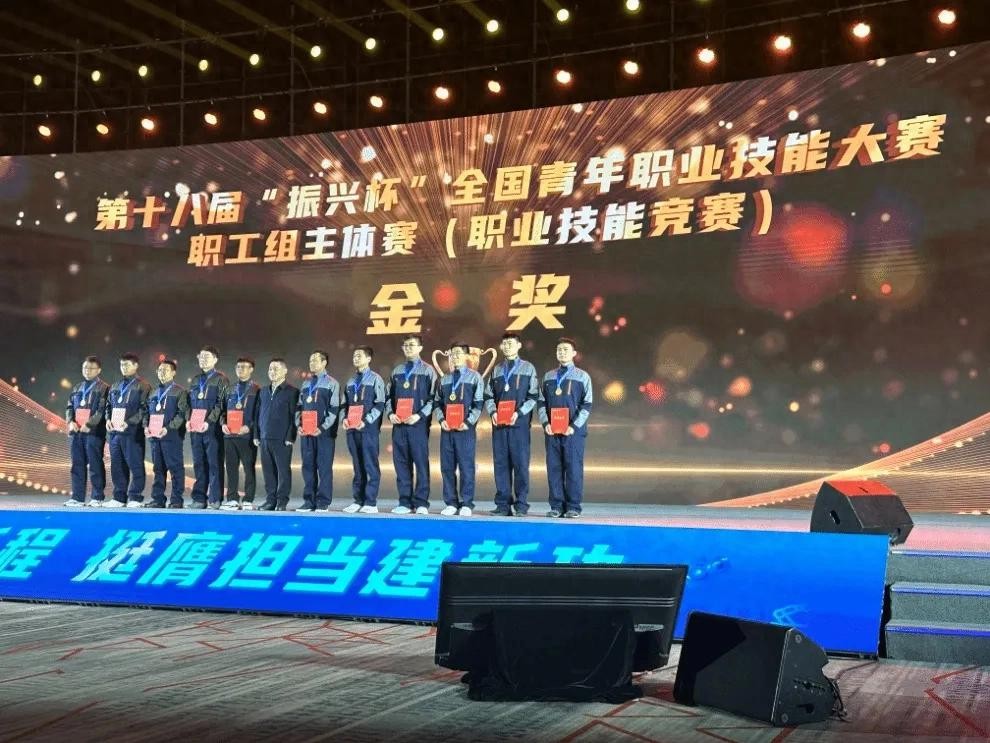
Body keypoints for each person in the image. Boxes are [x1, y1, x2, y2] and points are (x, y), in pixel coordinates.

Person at [484, 333, 539, 516]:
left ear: (519, 345)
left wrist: (519, 413)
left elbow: (533, 397)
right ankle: (503, 505)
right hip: (499, 426)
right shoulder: (496, 370)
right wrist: (493, 412)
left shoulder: (528, 368)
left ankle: (521, 505)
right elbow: (488, 395)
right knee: (501, 465)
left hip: (519, 426)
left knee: (521, 465)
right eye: (505, 343)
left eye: (511, 343)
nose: (507, 346)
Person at [538, 337, 593, 518]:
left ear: (574, 353)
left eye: (565, 349)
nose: (562, 352)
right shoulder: (548, 377)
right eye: (559, 349)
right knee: (554, 468)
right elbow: (541, 402)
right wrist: (545, 423)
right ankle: (556, 506)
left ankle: (573, 507)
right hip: (552, 431)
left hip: (573, 433)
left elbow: (587, 405)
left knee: (573, 468)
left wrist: (574, 426)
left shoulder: (582, 376)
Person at [385, 334, 437, 515]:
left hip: (418, 425)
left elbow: (434, 399)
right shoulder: (397, 371)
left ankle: (421, 502)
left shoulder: (428, 371)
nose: (408, 348)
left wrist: (419, 416)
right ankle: (405, 502)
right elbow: (388, 397)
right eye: (405, 345)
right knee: (401, 464)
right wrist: (390, 414)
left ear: (420, 348)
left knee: (421, 463)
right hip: (399, 425)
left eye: (412, 345)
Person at [434, 342, 484, 516]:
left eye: (458, 353)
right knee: (447, 467)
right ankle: (451, 502)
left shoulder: (475, 377)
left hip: (465, 430)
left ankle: (467, 503)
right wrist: (441, 420)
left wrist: (468, 422)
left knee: (466, 467)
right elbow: (437, 403)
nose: (455, 357)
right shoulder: (444, 379)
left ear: (466, 356)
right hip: (447, 430)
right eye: (452, 354)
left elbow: (478, 404)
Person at [104, 352, 153, 508]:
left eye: (127, 364)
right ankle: (119, 497)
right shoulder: (115, 386)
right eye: (122, 365)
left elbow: (145, 409)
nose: (123, 367)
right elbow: (108, 406)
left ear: (135, 365)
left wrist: (130, 422)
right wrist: (107, 420)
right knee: (117, 465)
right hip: (115, 433)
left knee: (135, 465)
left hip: (132, 432)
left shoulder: (143, 386)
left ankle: (135, 497)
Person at [295, 350, 341, 513]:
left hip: (323, 434)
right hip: (307, 432)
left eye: (315, 360)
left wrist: (322, 428)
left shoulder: (332, 383)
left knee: (324, 467)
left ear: (324, 362)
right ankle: (309, 501)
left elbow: (334, 409)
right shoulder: (306, 384)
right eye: (310, 360)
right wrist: (299, 424)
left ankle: (323, 502)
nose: (312, 363)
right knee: (308, 466)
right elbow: (299, 407)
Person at [341, 346, 386, 514]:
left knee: (370, 465)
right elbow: (344, 405)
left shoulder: (375, 379)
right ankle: (358, 500)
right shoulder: (350, 381)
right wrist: (344, 419)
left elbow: (380, 404)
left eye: (359, 356)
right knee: (357, 466)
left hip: (368, 430)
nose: (356, 358)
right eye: (354, 355)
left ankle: (371, 502)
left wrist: (366, 421)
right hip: (352, 429)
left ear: (369, 359)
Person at [64, 356, 110, 507]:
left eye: (91, 368)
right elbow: (69, 407)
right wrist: (70, 422)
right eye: (85, 368)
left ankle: (97, 497)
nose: (87, 371)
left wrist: (89, 424)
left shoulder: (104, 388)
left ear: (99, 370)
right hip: (77, 432)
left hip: (94, 433)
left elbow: (102, 410)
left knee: (95, 464)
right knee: (77, 464)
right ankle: (77, 498)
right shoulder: (77, 388)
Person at [188, 345, 230, 509]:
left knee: (214, 463)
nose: (203, 360)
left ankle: (215, 498)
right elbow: (190, 404)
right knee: (198, 463)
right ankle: (199, 499)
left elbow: (221, 404)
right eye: (201, 357)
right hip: (196, 428)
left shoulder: (221, 379)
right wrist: (188, 420)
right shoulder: (195, 380)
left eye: (207, 357)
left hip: (212, 429)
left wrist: (210, 421)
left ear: (215, 360)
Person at [143, 358, 188, 508]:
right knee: (158, 469)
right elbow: (146, 412)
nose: (162, 373)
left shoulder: (180, 391)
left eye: (166, 370)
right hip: (155, 437)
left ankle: (176, 500)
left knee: (175, 469)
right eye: (160, 370)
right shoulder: (153, 392)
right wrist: (145, 426)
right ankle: (158, 499)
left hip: (171, 437)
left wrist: (168, 428)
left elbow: (182, 414)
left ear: (173, 373)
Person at [254, 358, 298, 511]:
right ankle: (270, 500)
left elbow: (294, 416)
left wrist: (291, 436)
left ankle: (281, 501)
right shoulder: (263, 391)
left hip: (282, 439)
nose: (272, 372)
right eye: (270, 369)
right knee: (268, 471)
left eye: (276, 369)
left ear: (285, 371)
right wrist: (256, 435)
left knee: (283, 471)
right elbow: (257, 414)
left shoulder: (292, 392)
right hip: (264, 437)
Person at [221, 357, 261, 510]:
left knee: (248, 468)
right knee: (231, 468)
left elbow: (259, 414)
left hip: (246, 436)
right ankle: (232, 498)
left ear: (251, 369)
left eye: (244, 367)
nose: (241, 369)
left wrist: (249, 427)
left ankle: (248, 499)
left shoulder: (257, 390)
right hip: (230, 435)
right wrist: (223, 424)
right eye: (238, 367)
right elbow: (223, 410)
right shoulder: (230, 389)